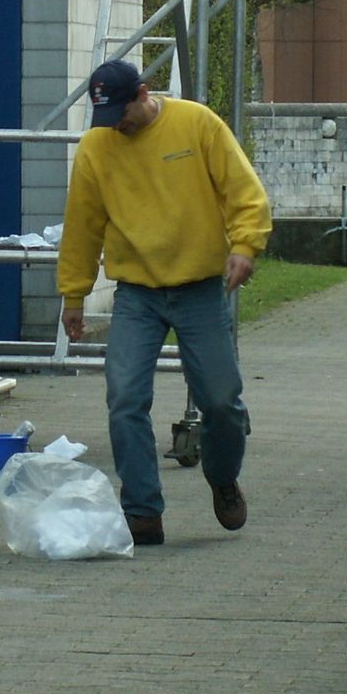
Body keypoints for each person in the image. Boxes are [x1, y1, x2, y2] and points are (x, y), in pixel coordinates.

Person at [55, 58, 272, 548]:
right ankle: (142, 511)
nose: (117, 126)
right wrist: (74, 293)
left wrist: (244, 245)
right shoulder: (97, 147)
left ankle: (222, 477)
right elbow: (82, 226)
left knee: (222, 402)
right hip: (137, 295)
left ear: (143, 93)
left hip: (199, 288)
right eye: (106, 117)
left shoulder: (196, 124)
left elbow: (244, 191)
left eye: (122, 113)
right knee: (125, 398)